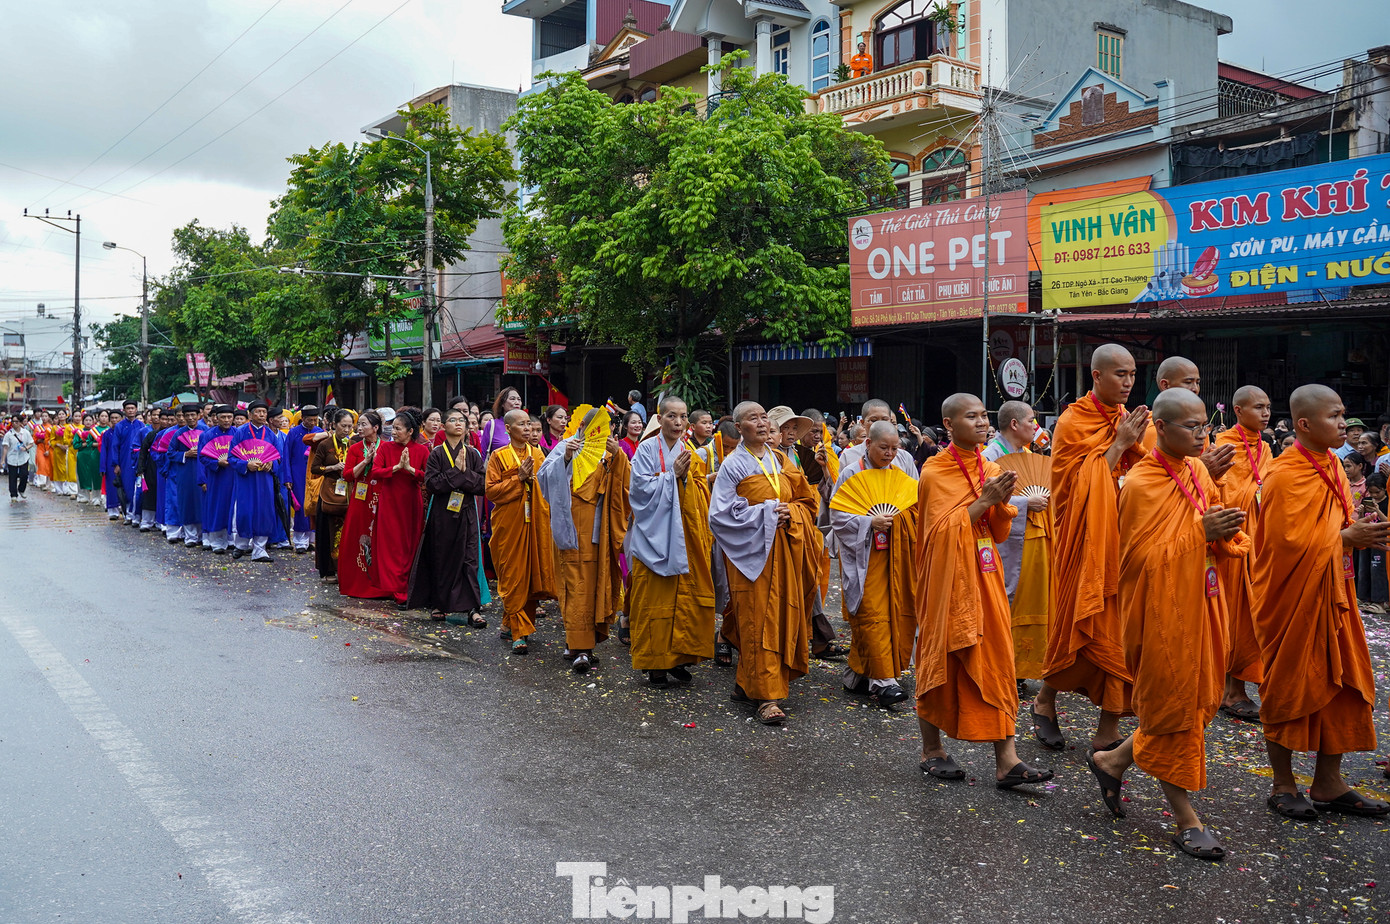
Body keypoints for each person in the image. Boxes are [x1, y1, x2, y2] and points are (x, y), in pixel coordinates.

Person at [1085, 388, 1247, 861]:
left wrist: (1224, 532)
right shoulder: (1140, 483)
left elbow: (1209, 522)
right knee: (1172, 706)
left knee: (1191, 703)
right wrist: (1201, 533)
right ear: (1161, 427)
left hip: (1201, 603)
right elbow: (1138, 562)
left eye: (1205, 426)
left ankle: (1112, 761)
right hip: (1159, 613)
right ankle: (1186, 818)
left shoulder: (1197, 470)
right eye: (1191, 427)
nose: (1202, 436)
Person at [1253, 384, 1388, 819]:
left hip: (1335, 592)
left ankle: (1329, 782)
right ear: (1304, 424)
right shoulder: (1284, 474)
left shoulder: (1332, 465)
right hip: (1293, 598)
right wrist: (1345, 538)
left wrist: (1361, 530)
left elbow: (1330, 525)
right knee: (1289, 684)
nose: (1344, 424)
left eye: (1344, 415)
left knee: (1345, 683)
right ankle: (1283, 784)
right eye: (1335, 416)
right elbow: (1283, 545)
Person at [914, 394, 1053, 790]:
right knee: (941, 655)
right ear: (948, 423)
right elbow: (937, 534)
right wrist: (985, 501)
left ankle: (1007, 761)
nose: (981, 423)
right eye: (971, 416)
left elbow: (998, 530)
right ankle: (931, 749)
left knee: (997, 658)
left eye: (983, 416)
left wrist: (1001, 503)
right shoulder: (935, 471)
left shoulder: (990, 468)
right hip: (945, 578)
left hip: (985, 573)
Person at [1035, 343, 1153, 752]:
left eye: (1133, 374)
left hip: (1123, 538)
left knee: (1119, 633)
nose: (1128, 382)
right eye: (1120, 374)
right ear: (1097, 376)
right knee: (1079, 626)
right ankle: (1045, 699)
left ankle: (1107, 729)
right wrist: (1119, 444)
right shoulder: (1073, 421)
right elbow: (1073, 489)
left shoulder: (1128, 419)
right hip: (1084, 538)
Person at [708, 402, 821, 725]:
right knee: (758, 621)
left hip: (783, 551)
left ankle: (747, 683)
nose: (760, 423)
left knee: (780, 615)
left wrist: (791, 513)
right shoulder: (733, 465)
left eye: (763, 417)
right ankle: (767, 697)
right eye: (752, 418)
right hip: (750, 555)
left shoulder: (780, 460)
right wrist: (768, 513)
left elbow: (806, 502)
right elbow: (720, 515)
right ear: (739, 427)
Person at [625, 397, 716, 687]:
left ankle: (678, 659)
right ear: (659, 418)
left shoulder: (689, 452)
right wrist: (672, 476)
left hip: (683, 536)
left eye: (683, 417)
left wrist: (689, 480)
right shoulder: (646, 449)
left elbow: (699, 489)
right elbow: (638, 490)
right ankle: (655, 664)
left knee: (683, 599)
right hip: (653, 537)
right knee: (653, 602)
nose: (678, 422)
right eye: (672, 416)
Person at [538, 407, 632, 674]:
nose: (602, 436)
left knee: (593, 587)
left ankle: (580, 643)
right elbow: (544, 478)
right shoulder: (566, 447)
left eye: (608, 431)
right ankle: (580, 648)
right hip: (571, 532)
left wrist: (618, 457)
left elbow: (626, 486)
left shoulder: (610, 453)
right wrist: (566, 459)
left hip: (598, 534)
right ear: (582, 428)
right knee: (574, 588)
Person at [829, 420, 915, 707]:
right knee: (872, 614)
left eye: (894, 448)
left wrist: (899, 520)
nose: (889, 454)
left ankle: (858, 674)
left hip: (894, 558)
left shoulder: (899, 474)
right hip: (863, 558)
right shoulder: (851, 473)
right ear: (868, 444)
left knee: (893, 613)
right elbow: (838, 516)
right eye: (883, 448)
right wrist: (869, 522)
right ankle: (884, 682)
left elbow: (914, 510)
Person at [981, 401, 1052, 688]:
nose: (1036, 427)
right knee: (1003, 602)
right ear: (1014, 424)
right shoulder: (990, 456)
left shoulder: (1028, 455)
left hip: (1033, 540)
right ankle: (998, 666)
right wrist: (1025, 502)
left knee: (1031, 602)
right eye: (1031, 420)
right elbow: (983, 499)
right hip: (1005, 542)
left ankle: (1019, 668)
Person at [1212, 385, 1271, 722]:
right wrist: (1253, 493)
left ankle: (1238, 688)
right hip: (1233, 543)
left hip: (1259, 543)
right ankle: (1225, 689)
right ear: (1238, 410)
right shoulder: (1224, 445)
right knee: (1231, 612)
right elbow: (1222, 493)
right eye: (1258, 407)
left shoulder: (1265, 447)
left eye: (1268, 407)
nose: (1266, 413)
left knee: (1254, 614)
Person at [407, 407, 488, 623]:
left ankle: (472, 608)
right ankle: (439, 604)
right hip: (442, 514)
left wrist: (463, 472)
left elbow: (482, 485)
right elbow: (432, 484)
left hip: (467, 512)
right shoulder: (436, 454)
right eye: (453, 420)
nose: (458, 423)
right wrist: (456, 471)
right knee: (441, 557)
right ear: (444, 426)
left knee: (470, 559)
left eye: (462, 420)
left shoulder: (472, 454)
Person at [486, 408, 555, 654]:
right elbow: (491, 491)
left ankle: (511, 625)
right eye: (522, 425)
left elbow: (549, 486)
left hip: (535, 522)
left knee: (531, 575)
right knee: (513, 576)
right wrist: (519, 478)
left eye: (529, 424)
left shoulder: (538, 454)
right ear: (508, 429)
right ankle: (519, 633)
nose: (527, 429)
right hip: (509, 524)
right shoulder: (499, 456)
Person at [368, 410, 429, 604]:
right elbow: (375, 472)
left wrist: (410, 469)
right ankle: (392, 586)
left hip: (411, 502)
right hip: (389, 502)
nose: (393, 432)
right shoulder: (386, 448)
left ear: (410, 431)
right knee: (390, 544)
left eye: (398, 429)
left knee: (409, 543)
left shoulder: (422, 450)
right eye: (393, 428)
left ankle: (406, 585)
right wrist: (396, 468)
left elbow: (428, 476)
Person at [338, 411, 390, 599]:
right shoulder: (355, 448)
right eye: (358, 424)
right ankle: (357, 583)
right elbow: (347, 475)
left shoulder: (386, 447)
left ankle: (381, 583)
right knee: (356, 535)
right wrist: (366, 462)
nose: (358, 428)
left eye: (363, 424)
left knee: (379, 537)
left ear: (375, 428)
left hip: (381, 497)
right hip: (360, 498)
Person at [228, 400, 281, 562]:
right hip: (246, 479)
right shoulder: (240, 433)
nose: (261, 415)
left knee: (264, 512)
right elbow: (231, 457)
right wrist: (245, 464)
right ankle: (241, 545)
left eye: (264, 412)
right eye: (258, 412)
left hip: (264, 480)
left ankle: (260, 549)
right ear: (250, 415)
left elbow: (278, 457)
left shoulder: (270, 434)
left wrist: (271, 463)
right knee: (244, 511)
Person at [309, 409, 355, 581]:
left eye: (350, 426)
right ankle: (328, 570)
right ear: (334, 425)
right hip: (329, 492)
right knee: (327, 531)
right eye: (343, 426)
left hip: (349, 491)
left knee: (348, 532)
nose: (347, 430)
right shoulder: (325, 444)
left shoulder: (354, 444)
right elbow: (315, 468)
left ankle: (346, 569)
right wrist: (332, 468)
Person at [198, 405, 237, 554]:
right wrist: (216, 463)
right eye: (223, 417)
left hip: (235, 476)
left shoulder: (238, 433)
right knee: (217, 507)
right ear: (216, 418)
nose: (226, 420)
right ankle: (216, 542)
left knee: (233, 507)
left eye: (229, 417)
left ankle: (232, 540)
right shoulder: (207, 435)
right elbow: (202, 457)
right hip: (216, 476)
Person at [285, 406, 323, 554]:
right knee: (301, 506)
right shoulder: (293, 433)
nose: (312, 422)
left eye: (315, 419)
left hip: (315, 474)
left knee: (314, 505)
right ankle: (300, 541)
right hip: (298, 474)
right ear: (302, 418)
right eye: (309, 420)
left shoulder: (320, 432)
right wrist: (288, 477)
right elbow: (286, 455)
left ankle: (311, 540)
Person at [1358, 472, 1389, 614]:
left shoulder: (1387, 503)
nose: (1374, 495)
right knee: (1364, 569)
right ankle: (1364, 597)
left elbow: (1387, 522)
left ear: (1384, 489)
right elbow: (1361, 521)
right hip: (1367, 539)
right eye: (1371, 492)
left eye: (1377, 492)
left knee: (1378, 570)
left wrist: (1377, 510)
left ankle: (1380, 601)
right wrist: (1361, 512)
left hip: (1380, 541)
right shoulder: (1367, 500)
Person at [74, 414, 102, 504]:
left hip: (95, 456)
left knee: (95, 476)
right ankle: (83, 496)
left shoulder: (96, 431)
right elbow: (75, 445)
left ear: (93, 421)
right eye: (86, 420)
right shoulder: (79, 432)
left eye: (90, 420)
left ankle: (96, 497)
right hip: (83, 456)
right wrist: (86, 443)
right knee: (83, 476)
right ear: (83, 421)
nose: (88, 422)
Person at [3, 419, 34, 501]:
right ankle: (13, 495)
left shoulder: (25, 433)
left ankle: (21, 489)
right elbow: (5, 447)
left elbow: (31, 443)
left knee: (24, 475)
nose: (14, 423)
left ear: (20, 423)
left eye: (16, 422)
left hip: (23, 457)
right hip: (12, 457)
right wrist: (2, 460)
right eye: (13, 422)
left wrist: (26, 448)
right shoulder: (8, 434)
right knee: (12, 477)